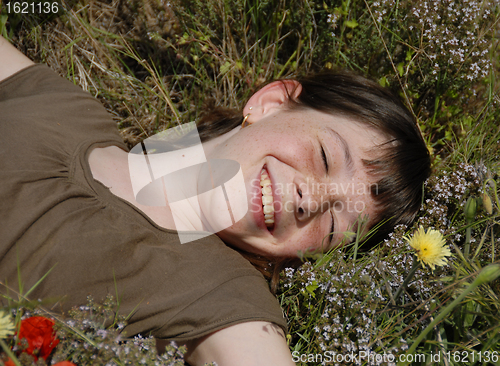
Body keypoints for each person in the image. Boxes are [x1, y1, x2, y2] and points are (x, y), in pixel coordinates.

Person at [0, 35, 430, 365]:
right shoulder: (67, 106)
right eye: (324, 157)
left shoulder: (219, 295)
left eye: (335, 225)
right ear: (272, 103)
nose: (310, 200)